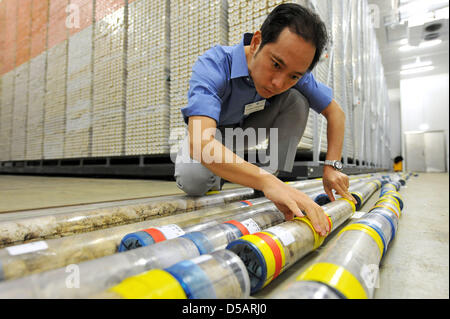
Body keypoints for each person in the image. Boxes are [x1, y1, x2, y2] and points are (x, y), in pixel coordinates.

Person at [174, 3, 356, 237]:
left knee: (297, 100)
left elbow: (336, 113)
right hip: (211, 136)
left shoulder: (292, 72)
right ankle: (249, 176)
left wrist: (332, 167)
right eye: (275, 65)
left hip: (244, 133)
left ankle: (271, 173)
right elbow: (200, 143)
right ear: (257, 41)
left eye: (293, 75)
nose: (279, 83)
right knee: (194, 180)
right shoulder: (214, 65)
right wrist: (264, 181)